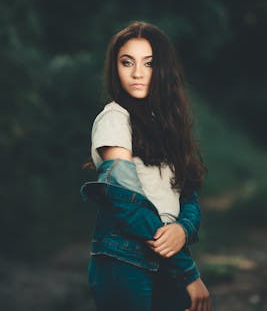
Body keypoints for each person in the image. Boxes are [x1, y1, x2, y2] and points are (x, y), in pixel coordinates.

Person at [81, 21, 211, 311]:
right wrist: (188, 272)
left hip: (169, 257)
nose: (137, 73)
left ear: (162, 69)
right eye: (127, 62)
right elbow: (127, 204)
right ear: (115, 68)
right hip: (125, 259)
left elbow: (187, 193)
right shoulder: (114, 118)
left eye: (148, 63)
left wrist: (184, 229)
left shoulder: (167, 124)